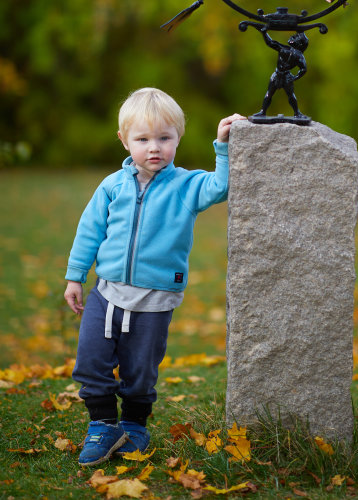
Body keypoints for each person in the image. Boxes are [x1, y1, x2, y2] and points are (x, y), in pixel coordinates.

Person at [64, 87, 244, 466]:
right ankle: (102, 425)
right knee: (90, 360)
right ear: (124, 140)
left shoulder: (186, 186)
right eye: (143, 139)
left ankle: (135, 426)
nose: (154, 148)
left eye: (165, 138)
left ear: (178, 138)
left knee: (140, 371)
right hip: (106, 293)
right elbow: (89, 230)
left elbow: (221, 186)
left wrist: (223, 147)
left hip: (155, 299)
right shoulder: (113, 185)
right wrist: (75, 276)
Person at [253, 30, 309, 118]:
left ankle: (297, 112)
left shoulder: (297, 54)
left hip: (286, 76)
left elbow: (303, 69)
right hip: (277, 74)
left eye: (295, 37)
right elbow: (271, 43)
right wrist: (264, 33)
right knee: (270, 93)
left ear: (299, 43)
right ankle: (263, 111)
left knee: (290, 95)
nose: (292, 37)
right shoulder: (290, 52)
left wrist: (294, 78)